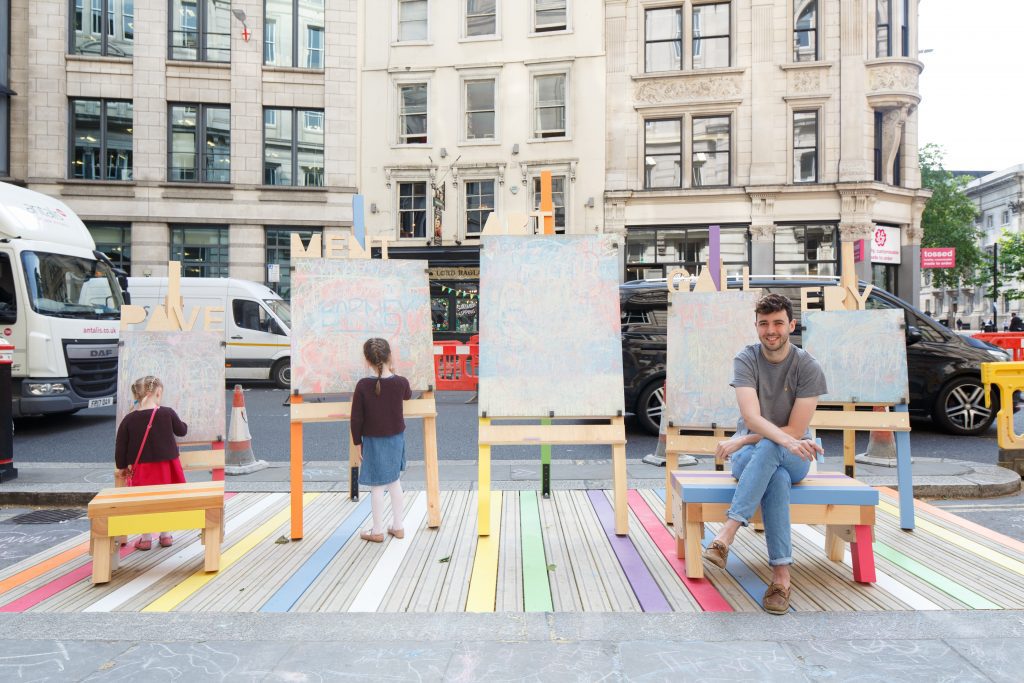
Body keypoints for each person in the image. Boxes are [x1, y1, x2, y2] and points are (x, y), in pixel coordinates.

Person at [702, 293, 828, 615]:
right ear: (757, 326)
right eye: (764, 324)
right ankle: (782, 578)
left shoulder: (808, 366)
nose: (770, 330)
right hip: (758, 459)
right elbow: (753, 416)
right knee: (777, 477)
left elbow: (795, 432)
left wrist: (742, 441)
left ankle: (728, 532)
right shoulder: (746, 359)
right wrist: (763, 441)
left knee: (775, 449)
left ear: (792, 325)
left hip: (793, 453)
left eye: (778, 323)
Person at [114, 375, 188, 550]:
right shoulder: (167, 413)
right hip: (167, 467)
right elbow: (182, 430)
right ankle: (166, 535)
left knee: (144, 501)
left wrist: (122, 467)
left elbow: (120, 447)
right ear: (158, 392)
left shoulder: (128, 420)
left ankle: (146, 538)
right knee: (166, 499)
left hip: (142, 470)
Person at [351, 338, 412, 543]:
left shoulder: (363, 385)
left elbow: (356, 417)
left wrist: (357, 441)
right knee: (394, 481)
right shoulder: (400, 382)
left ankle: (376, 530)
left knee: (377, 485)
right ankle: (398, 526)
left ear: (367, 361)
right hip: (396, 439)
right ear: (390, 357)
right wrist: (394, 370)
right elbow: (408, 395)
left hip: (373, 440)